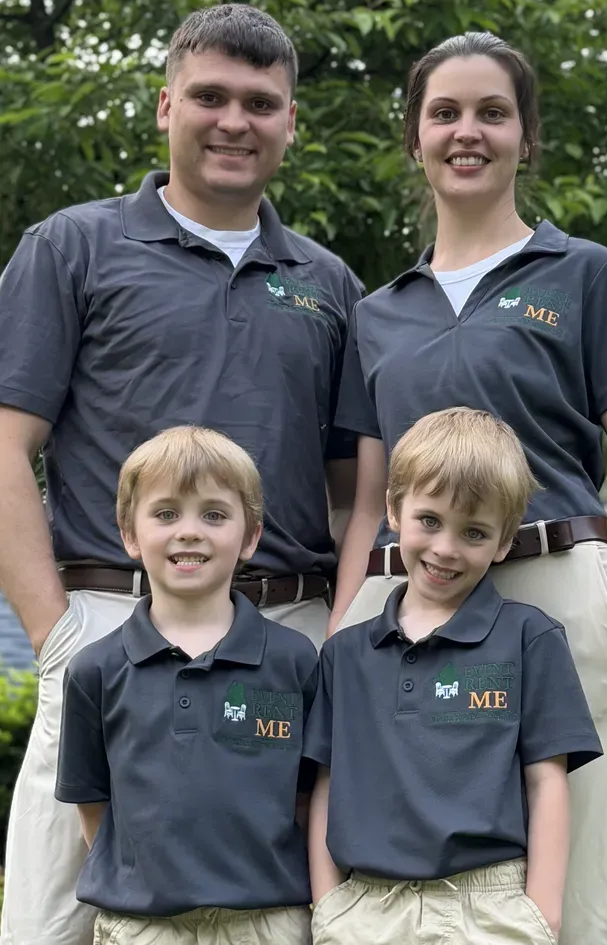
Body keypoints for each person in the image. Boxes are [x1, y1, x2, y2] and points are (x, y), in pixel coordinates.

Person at [0, 6, 360, 944]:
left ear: (290, 123)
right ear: (166, 106)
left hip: (286, 638)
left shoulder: (329, 283)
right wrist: (57, 633)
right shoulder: (70, 247)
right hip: (111, 628)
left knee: (287, 911)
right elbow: (4, 442)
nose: (234, 120)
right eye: (209, 96)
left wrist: (339, 632)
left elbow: (355, 489)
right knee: (54, 921)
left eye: (260, 102)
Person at [328, 31, 607, 945]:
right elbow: (367, 493)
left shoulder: (584, 274)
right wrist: (351, 615)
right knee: (390, 861)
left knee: (571, 885)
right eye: (446, 112)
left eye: (493, 112)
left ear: (526, 137)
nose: (469, 131)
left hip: (556, 578)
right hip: (404, 595)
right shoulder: (376, 312)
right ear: (415, 138)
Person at [306, 408, 603, 945]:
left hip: (490, 907)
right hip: (365, 908)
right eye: (430, 521)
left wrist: (542, 915)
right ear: (394, 510)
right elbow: (325, 784)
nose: (445, 548)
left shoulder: (529, 638)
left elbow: (547, 781)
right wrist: (328, 905)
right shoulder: (344, 654)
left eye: (474, 531)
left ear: (505, 542)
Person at [55, 425, 317, 945]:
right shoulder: (95, 670)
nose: (190, 531)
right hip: (142, 925)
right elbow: (93, 805)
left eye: (214, 515)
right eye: (166, 513)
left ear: (250, 536)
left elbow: (309, 798)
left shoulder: (295, 661)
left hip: (269, 922)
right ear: (130, 533)